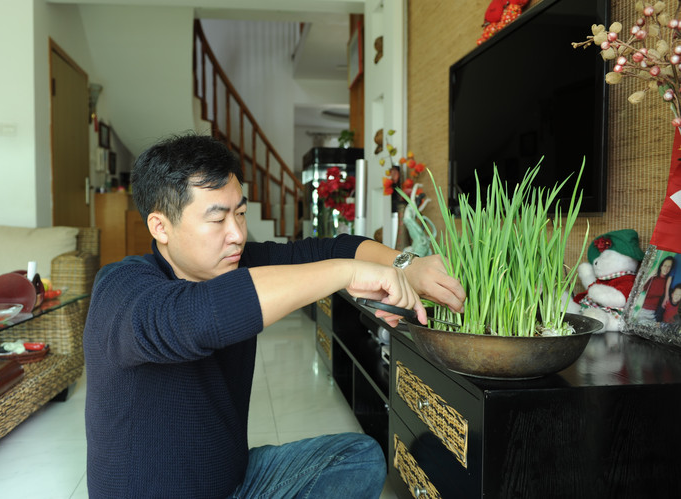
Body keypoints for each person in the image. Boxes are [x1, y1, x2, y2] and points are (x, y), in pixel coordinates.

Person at [83, 134, 466, 498]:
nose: (236, 234)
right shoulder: (122, 288)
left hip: (233, 481)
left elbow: (332, 247)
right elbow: (198, 315)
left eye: (241, 213)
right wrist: (345, 274)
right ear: (160, 227)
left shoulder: (237, 264)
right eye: (217, 220)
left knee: (361, 457)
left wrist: (405, 265)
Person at [638, 256, 675, 322]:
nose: (666, 268)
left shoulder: (668, 282)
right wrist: (649, 276)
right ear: (661, 266)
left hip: (654, 313)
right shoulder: (653, 278)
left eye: (669, 266)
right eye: (665, 265)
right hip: (642, 311)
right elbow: (639, 289)